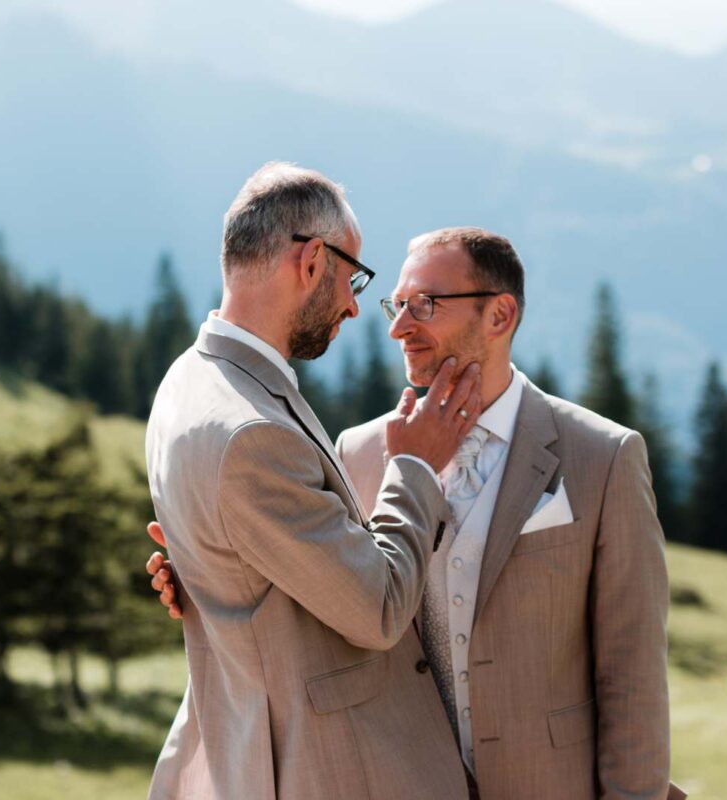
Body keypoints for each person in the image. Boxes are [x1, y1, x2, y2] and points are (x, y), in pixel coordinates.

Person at [151, 227, 683, 799]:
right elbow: (335, 592)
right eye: (397, 304)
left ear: (499, 315)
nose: (398, 326)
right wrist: (211, 568)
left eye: (424, 305)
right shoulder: (356, 451)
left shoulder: (602, 456)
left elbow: (633, 675)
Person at [143, 162, 479, 800]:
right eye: (353, 277)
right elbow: (378, 610)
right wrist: (415, 464)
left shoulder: (187, 380)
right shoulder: (252, 433)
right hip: (320, 771)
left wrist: (203, 566)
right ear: (311, 262)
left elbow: (238, 544)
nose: (356, 305)